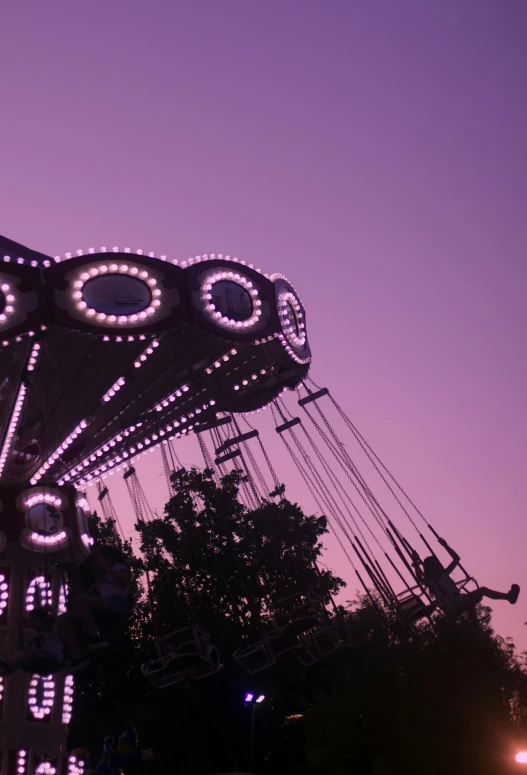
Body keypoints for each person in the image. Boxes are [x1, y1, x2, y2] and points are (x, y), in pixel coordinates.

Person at [413, 537, 519, 618]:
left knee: (483, 590)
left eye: (437, 564)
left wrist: (445, 546)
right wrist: (416, 563)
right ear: (429, 569)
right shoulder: (431, 582)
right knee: (469, 601)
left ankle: (509, 597)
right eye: (434, 565)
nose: (437, 566)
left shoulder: (444, 574)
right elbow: (419, 578)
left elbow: (456, 559)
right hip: (452, 606)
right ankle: (477, 630)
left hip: (460, 599)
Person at [58, 544, 134, 657]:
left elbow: (124, 580)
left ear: (107, 558)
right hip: (103, 604)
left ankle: (95, 636)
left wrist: (106, 567)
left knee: (80, 601)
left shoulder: (118, 567)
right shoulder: (101, 578)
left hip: (118, 601)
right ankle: (77, 654)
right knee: (64, 619)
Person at [0, 607, 82, 675]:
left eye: (32, 621)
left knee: (27, 654)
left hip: (56, 656)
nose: (30, 624)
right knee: (26, 654)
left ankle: (8, 665)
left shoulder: (55, 627)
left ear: (39, 619)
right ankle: (8, 665)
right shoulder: (41, 636)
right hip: (50, 657)